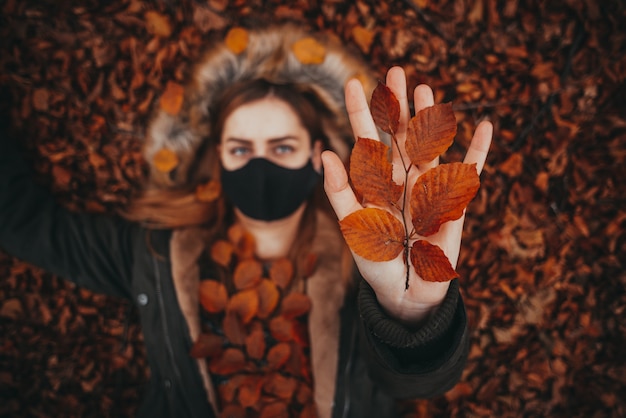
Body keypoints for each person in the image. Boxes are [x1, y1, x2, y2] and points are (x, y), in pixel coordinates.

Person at [0, 24, 492, 418]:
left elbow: (416, 384)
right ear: (218, 159)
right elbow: (20, 221)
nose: (261, 166)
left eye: (282, 148)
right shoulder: (151, 251)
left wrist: (407, 313)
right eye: (242, 149)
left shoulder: (360, 263)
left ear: (315, 156)